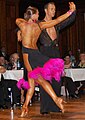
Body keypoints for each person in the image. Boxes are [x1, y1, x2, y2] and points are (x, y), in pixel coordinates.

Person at [16, 2, 76, 117]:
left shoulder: (21, 24)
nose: (38, 16)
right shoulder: (39, 26)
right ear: (33, 16)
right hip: (37, 54)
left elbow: (19, 21)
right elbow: (58, 20)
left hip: (28, 56)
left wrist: (20, 32)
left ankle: (31, 105)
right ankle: (27, 106)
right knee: (36, 81)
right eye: (37, 14)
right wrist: (70, 12)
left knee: (35, 81)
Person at [37, 2, 76, 114]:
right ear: (46, 10)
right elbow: (27, 29)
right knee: (45, 80)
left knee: (56, 81)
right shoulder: (40, 24)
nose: (54, 11)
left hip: (55, 53)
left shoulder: (56, 24)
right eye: (52, 9)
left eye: (54, 9)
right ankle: (45, 108)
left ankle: (55, 106)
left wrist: (73, 11)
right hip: (44, 53)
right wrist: (20, 32)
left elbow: (70, 20)